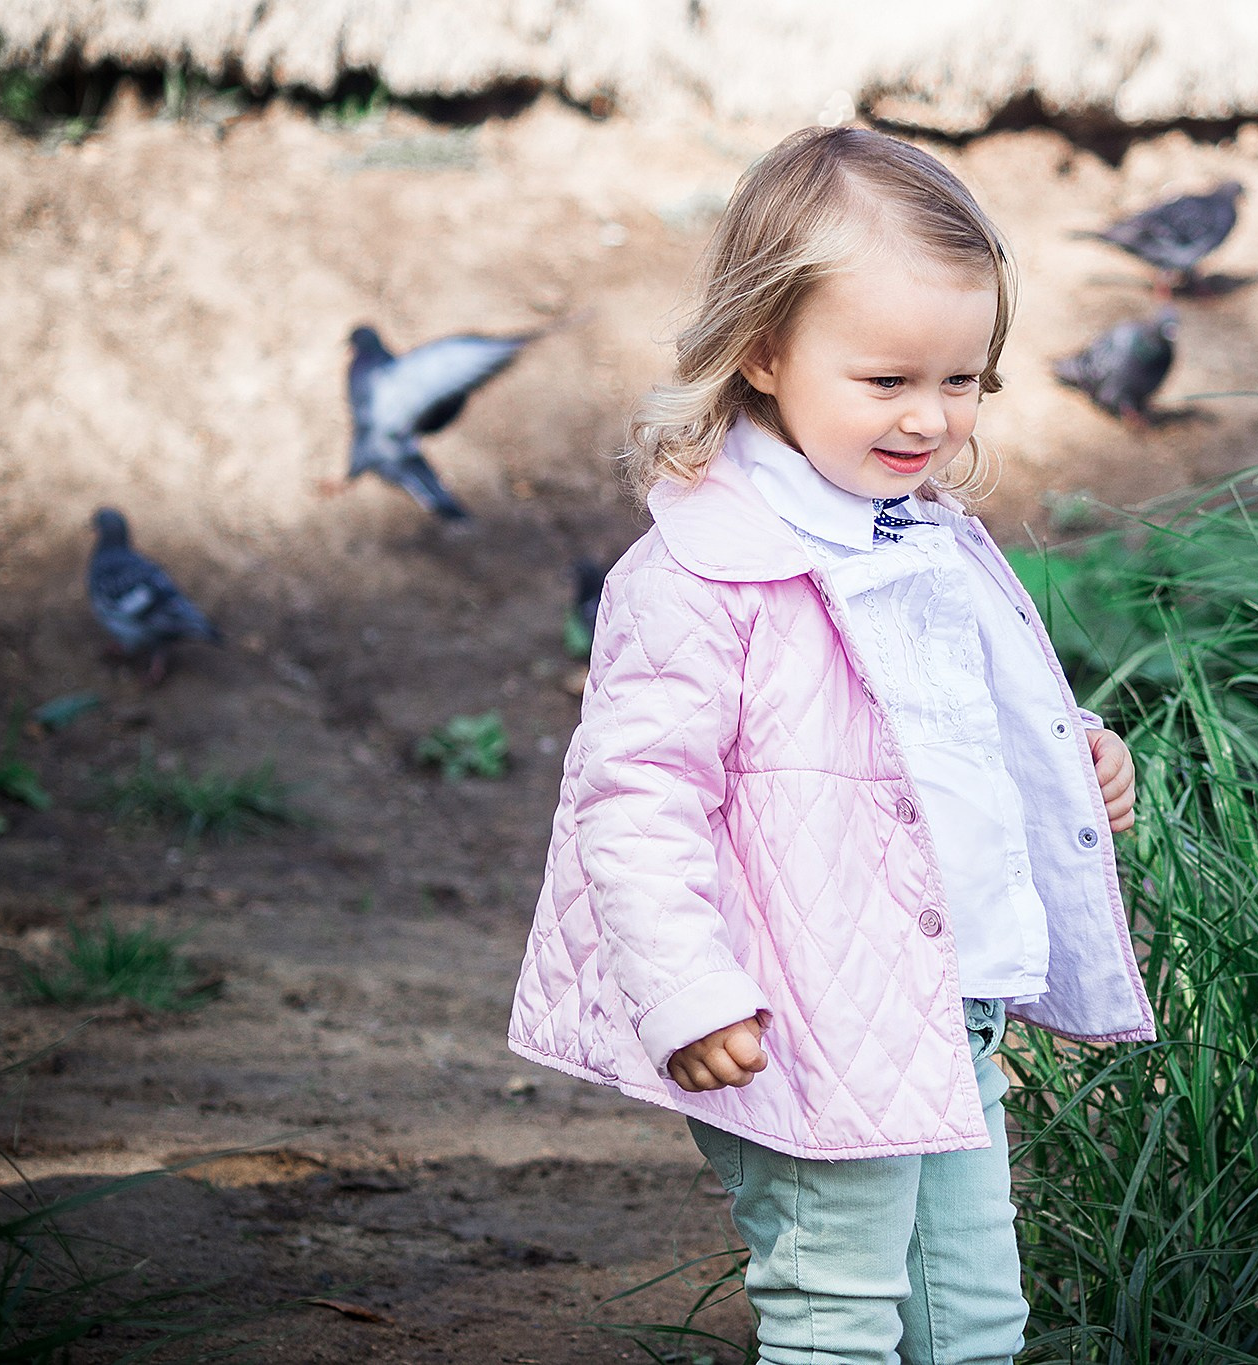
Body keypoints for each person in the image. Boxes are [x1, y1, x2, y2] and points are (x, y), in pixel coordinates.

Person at [506, 125, 1155, 1365]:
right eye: (886, 381)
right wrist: (688, 990)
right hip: (796, 1013)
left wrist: (1067, 748)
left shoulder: (919, 536)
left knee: (971, 1321)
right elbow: (632, 798)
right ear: (761, 351)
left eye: (962, 380)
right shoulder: (700, 572)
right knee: (837, 1310)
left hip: (943, 1006)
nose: (930, 417)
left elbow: (936, 715)